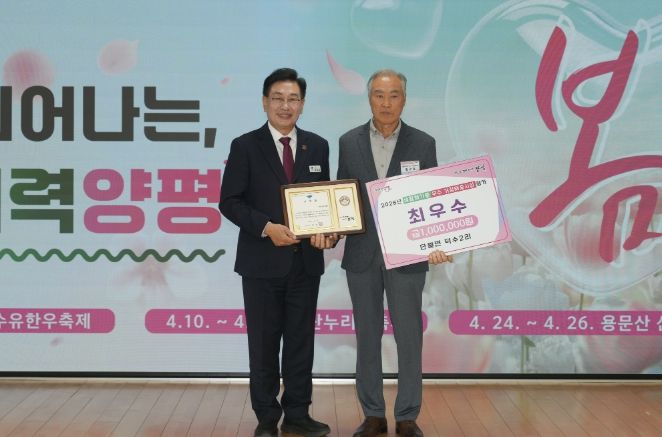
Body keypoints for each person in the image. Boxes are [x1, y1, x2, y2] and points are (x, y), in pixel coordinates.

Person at [219, 68, 335, 437]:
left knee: (301, 344)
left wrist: (328, 232)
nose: (285, 106)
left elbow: (325, 202)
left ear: (302, 104)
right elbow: (229, 202)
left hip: (305, 264)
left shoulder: (317, 146)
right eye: (278, 98)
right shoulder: (245, 145)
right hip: (261, 263)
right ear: (265, 102)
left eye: (293, 99)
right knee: (264, 345)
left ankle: (298, 414)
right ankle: (267, 418)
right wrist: (267, 228)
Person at [337, 69, 452, 437]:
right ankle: (373, 414)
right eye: (379, 95)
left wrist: (438, 242)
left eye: (394, 95)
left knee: (409, 337)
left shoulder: (423, 143)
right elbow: (343, 197)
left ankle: (407, 416)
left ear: (405, 99)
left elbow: (434, 200)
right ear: (369, 98)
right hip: (362, 255)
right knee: (367, 337)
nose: (386, 103)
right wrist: (331, 227)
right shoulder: (348, 141)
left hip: (408, 255)